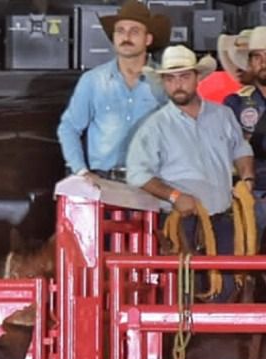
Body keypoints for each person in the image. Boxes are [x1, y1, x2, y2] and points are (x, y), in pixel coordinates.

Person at [127, 45, 253, 300]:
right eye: (171, 79)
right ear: (163, 83)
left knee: (227, 287)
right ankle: (193, 338)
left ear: (197, 78)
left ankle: (215, 337)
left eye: (184, 76)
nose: (178, 85)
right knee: (185, 290)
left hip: (222, 217)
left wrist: (247, 178)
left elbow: (241, 149)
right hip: (182, 221)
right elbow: (137, 173)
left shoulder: (223, 115)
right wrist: (174, 195)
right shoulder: (155, 127)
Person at [57, 0, 169, 181]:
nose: (126, 37)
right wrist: (81, 171)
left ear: (148, 39)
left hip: (152, 183)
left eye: (134, 31)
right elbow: (68, 128)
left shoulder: (163, 81)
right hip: (104, 181)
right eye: (120, 31)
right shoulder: (93, 81)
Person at [222, 27, 266, 230]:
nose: (263, 61)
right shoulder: (236, 103)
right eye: (257, 56)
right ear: (250, 63)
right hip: (251, 192)